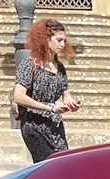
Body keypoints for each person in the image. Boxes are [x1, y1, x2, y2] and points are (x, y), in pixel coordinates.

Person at [12, 19, 81, 162]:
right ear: (45, 39)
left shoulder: (59, 67)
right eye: (59, 40)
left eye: (64, 41)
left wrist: (71, 103)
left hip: (54, 125)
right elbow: (18, 97)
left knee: (63, 164)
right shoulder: (30, 65)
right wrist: (48, 107)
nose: (62, 44)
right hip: (34, 126)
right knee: (47, 167)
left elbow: (66, 94)